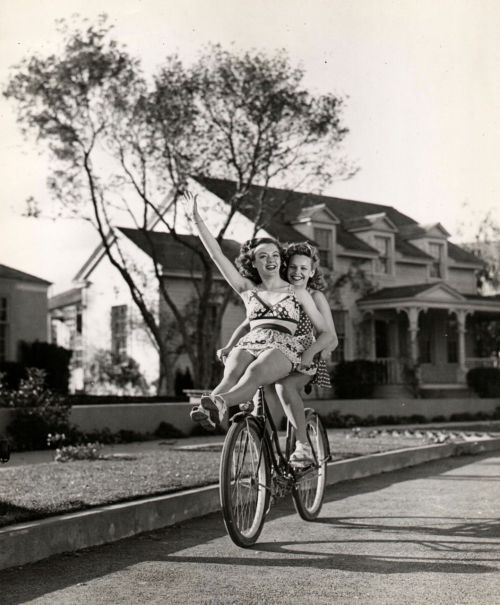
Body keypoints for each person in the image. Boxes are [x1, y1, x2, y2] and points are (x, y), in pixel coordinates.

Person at [184, 191, 336, 460]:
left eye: (275, 255)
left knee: (254, 373)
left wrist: (312, 353)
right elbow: (218, 255)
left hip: (285, 345)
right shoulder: (247, 289)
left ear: (281, 260)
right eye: (262, 256)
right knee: (231, 373)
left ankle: (219, 404)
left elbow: (325, 332)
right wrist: (196, 221)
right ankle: (211, 407)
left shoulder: (298, 291)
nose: (270, 260)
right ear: (252, 262)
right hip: (252, 341)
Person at [219, 242, 338, 466]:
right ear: (285, 267)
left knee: (284, 385)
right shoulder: (278, 293)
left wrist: (318, 353)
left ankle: (303, 446)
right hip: (274, 352)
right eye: (293, 267)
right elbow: (250, 325)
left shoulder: (313, 296)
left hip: (305, 355)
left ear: (312, 271)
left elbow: (330, 336)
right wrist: (230, 346)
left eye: (304, 269)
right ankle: (268, 454)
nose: (297, 273)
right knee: (260, 401)